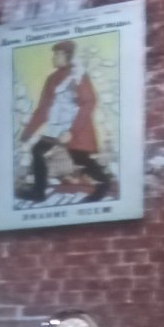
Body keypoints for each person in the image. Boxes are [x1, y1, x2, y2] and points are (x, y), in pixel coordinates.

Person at [18, 40, 114, 204]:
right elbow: (43, 108)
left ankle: (104, 183)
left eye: (57, 55)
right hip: (56, 127)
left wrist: (72, 132)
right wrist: (27, 133)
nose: (53, 58)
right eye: (54, 54)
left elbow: (90, 102)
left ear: (66, 56)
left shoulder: (78, 75)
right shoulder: (51, 79)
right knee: (37, 150)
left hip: (76, 128)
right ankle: (39, 192)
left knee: (80, 158)